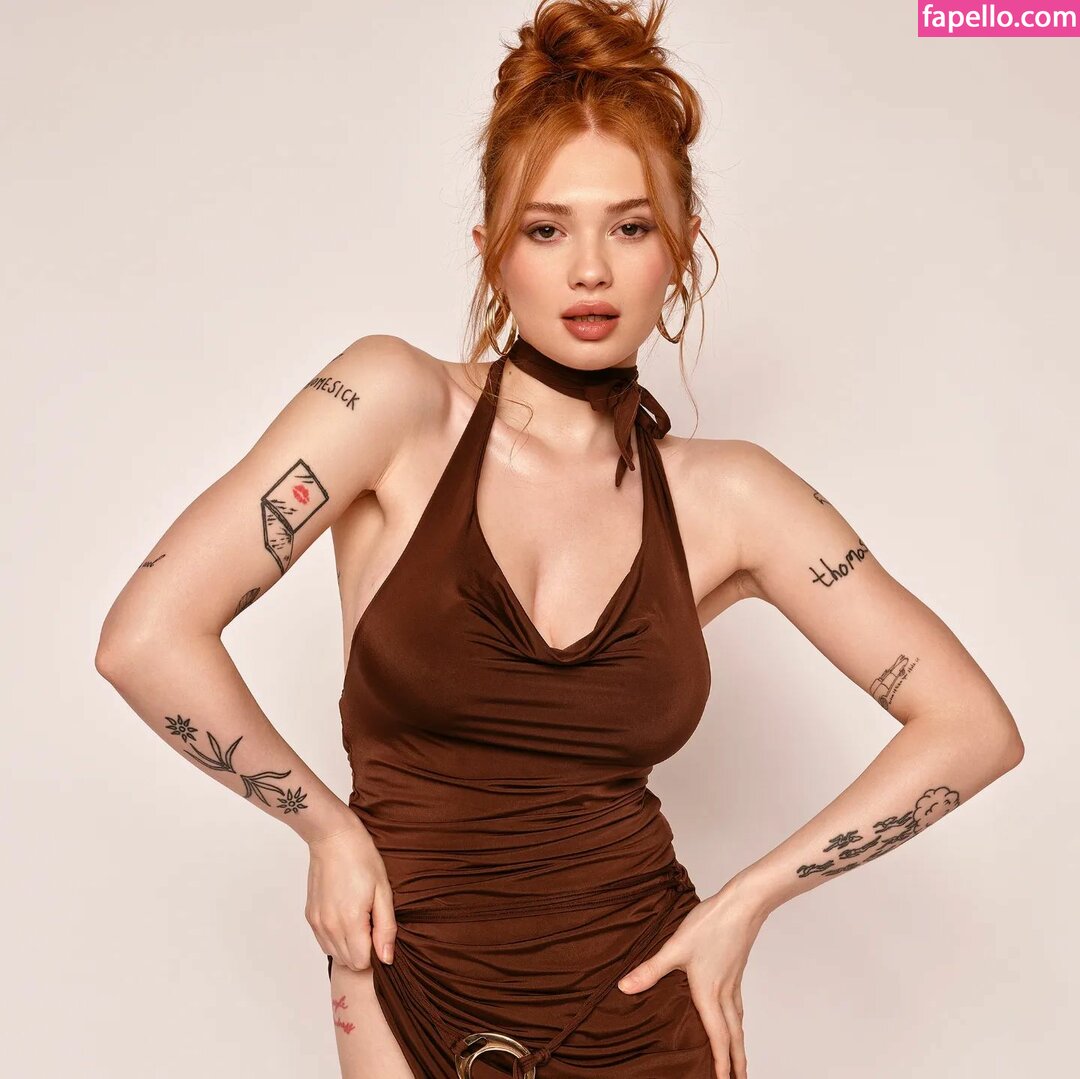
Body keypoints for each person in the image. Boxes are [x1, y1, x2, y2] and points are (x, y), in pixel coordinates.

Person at [95, 1, 1025, 1077]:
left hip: (648, 1006)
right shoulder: (392, 407)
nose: (590, 269)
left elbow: (972, 726)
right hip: (407, 979)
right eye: (546, 230)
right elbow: (146, 637)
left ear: (680, 249)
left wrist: (746, 901)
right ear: (491, 252)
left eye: (630, 228)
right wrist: (326, 827)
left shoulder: (731, 496)